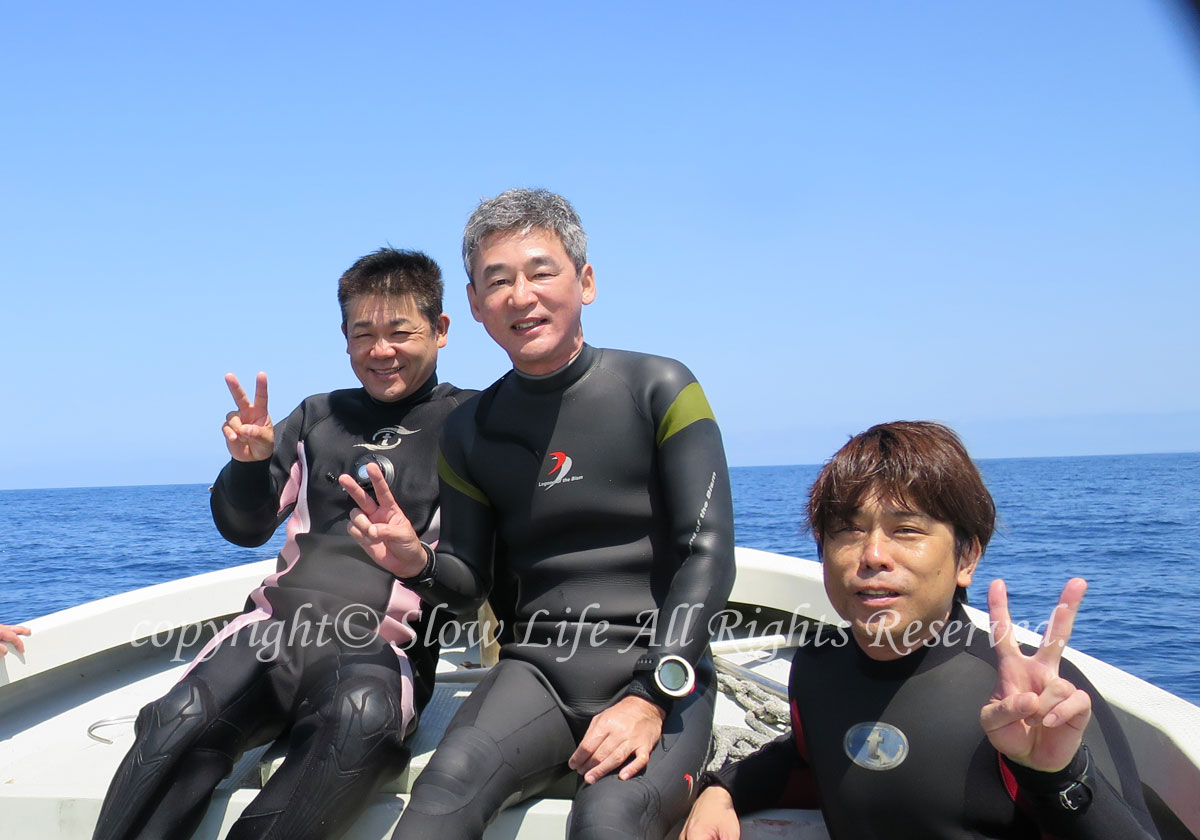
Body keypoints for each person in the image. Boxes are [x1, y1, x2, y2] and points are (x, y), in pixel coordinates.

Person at [340, 188, 736, 840]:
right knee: (442, 793)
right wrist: (418, 562)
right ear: (473, 305)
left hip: (662, 666)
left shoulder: (662, 388)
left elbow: (708, 552)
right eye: (498, 281)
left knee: (610, 816)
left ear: (585, 281)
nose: (520, 296)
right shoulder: (470, 430)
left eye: (540, 272)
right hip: (538, 673)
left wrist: (652, 695)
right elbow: (468, 583)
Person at [91, 249, 474, 840]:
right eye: (363, 334)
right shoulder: (318, 417)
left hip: (381, 647)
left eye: (401, 332)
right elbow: (243, 526)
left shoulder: (471, 423)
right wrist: (246, 465)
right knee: (178, 721)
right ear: (344, 339)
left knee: (359, 721)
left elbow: (475, 581)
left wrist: (418, 561)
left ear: (441, 330)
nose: (381, 350)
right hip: (271, 631)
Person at [679, 421, 1161, 840]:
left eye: (906, 530)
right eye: (847, 530)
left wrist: (1058, 776)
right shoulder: (819, 665)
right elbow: (806, 756)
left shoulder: (1026, 700)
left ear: (966, 557)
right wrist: (721, 792)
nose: (872, 555)